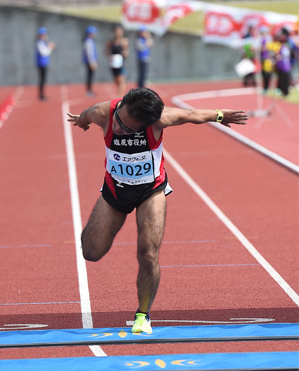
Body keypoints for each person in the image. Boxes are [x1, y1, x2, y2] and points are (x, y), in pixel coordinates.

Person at [67, 87, 248, 334]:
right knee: (91, 252)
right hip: (115, 190)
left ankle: (143, 315)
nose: (120, 129)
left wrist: (219, 115)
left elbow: (192, 115)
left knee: (148, 252)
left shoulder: (159, 120)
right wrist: (81, 122)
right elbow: (85, 115)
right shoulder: (103, 113)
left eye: (130, 129)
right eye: (120, 123)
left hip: (150, 191)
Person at [106, 24, 129, 96]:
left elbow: (127, 51)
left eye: (119, 31)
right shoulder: (111, 41)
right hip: (113, 64)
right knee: (116, 81)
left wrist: (124, 53)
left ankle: (119, 97)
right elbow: (106, 50)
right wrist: (109, 56)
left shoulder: (124, 41)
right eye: (116, 31)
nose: (117, 33)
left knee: (121, 81)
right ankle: (120, 95)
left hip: (120, 64)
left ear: (121, 32)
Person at [35, 27, 55, 100]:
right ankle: (41, 95)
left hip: (43, 63)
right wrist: (50, 47)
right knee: (42, 79)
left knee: (43, 79)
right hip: (41, 63)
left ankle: (42, 94)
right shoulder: (40, 43)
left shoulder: (42, 42)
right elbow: (44, 53)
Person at [82, 26, 98, 97]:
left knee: (90, 76)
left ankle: (89, 90)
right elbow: (89, 53)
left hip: (90, 61)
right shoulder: (89, 41)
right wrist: (92, 62)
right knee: (89, 76)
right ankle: (89, 91)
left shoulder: (89, 40)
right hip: (90, 62)